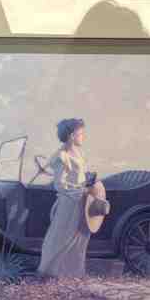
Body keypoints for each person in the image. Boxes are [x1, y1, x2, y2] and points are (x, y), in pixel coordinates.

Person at [37, 118, 109, 278]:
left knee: (79, 238)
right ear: (71, 136)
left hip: (82, 200)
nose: (83, 137)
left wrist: (88, 181)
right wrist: (80, 190)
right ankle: (51, 272)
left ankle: (72, 273)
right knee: (61, 237)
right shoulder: (61, 156)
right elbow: (60, 184)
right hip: (69, 201)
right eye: (80, 134)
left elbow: (78, 175)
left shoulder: (78, 152)